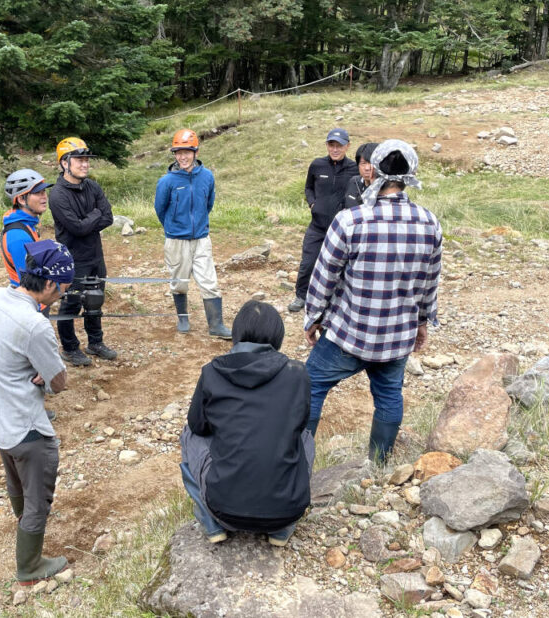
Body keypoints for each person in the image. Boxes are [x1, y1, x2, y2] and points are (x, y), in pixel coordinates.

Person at [303, 139, 442, 464]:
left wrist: (313, 318)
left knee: (309, 387)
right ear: (411, 173)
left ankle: (298, 461)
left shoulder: (351, 221)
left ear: (372, 172)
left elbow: (324, 278)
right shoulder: (429, 222)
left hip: (348, 335)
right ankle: (378, 465)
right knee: (389, 395)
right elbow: (429, 282)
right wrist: (422, 323)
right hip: (397, 337)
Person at [0, 239, 74, 586]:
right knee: (38, 499)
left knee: (15, 480)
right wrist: (45, 373)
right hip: (26, 427)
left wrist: (33, 368)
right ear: (48, 284)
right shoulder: (36, 327)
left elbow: (5, 350)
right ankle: (29, 567)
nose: (63, 293)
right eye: (63, 287)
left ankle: (22, 524)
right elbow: (59, 382)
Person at [180, 300, 315, 546]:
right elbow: (299, 423)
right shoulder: (298, 373)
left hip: (223, 510)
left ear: (236, 334)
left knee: (189, 432)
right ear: (277, 336)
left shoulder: (211, 372)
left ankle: (209, 521)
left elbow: (198, 426)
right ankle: (281, 530)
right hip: (287, 510)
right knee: (304, 435)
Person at [154, 128, 231, 339]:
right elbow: (160, 209)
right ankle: (183, 317)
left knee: (209, 281)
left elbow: (209, 204)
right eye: (178, 152)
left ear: (195, 152)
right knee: (179, 282)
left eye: (187, 152)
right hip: (176, 240)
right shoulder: (167, 182)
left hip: (201, 239)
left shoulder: (207, 177)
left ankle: (216, 325)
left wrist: (198, 226)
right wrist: (174, 227)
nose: (183, 157)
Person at [49, 136, 116, 366]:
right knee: (71, 304)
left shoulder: (92, 186)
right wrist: (95, 214)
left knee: (95, 301)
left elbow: (109, 217)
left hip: (95, 256)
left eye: (86, 159)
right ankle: (69, 347)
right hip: (72, 260)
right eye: (79, 160)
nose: (85, 164)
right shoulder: (57, 195)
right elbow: (76, 229)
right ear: (64, 163)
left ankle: (95, 342)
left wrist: (91, 218)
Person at [288, 128, 358, 312]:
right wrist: (312, 203)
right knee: (308, 263)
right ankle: (301, 296)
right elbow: (308, 187)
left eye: (339, 146)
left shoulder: (354, 168)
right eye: (331, 145)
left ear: (347, 146)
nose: (335, 149)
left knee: (341, 266)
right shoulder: (317, 165)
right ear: (327, 145)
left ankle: (338, 301)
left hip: (341, 230)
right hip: (317, 226)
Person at [1, 169, 53, 287]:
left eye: (44, 191)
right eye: (38, 192)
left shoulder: (26, 225)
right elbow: (30, 285)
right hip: (28, 301)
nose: (44, 197)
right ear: (21, 199)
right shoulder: (19, 236)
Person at [343, 142, 378, 209]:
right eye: (363, 163)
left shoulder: (385, 188)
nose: (367, 168)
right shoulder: (353, 182)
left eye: (371, 163)